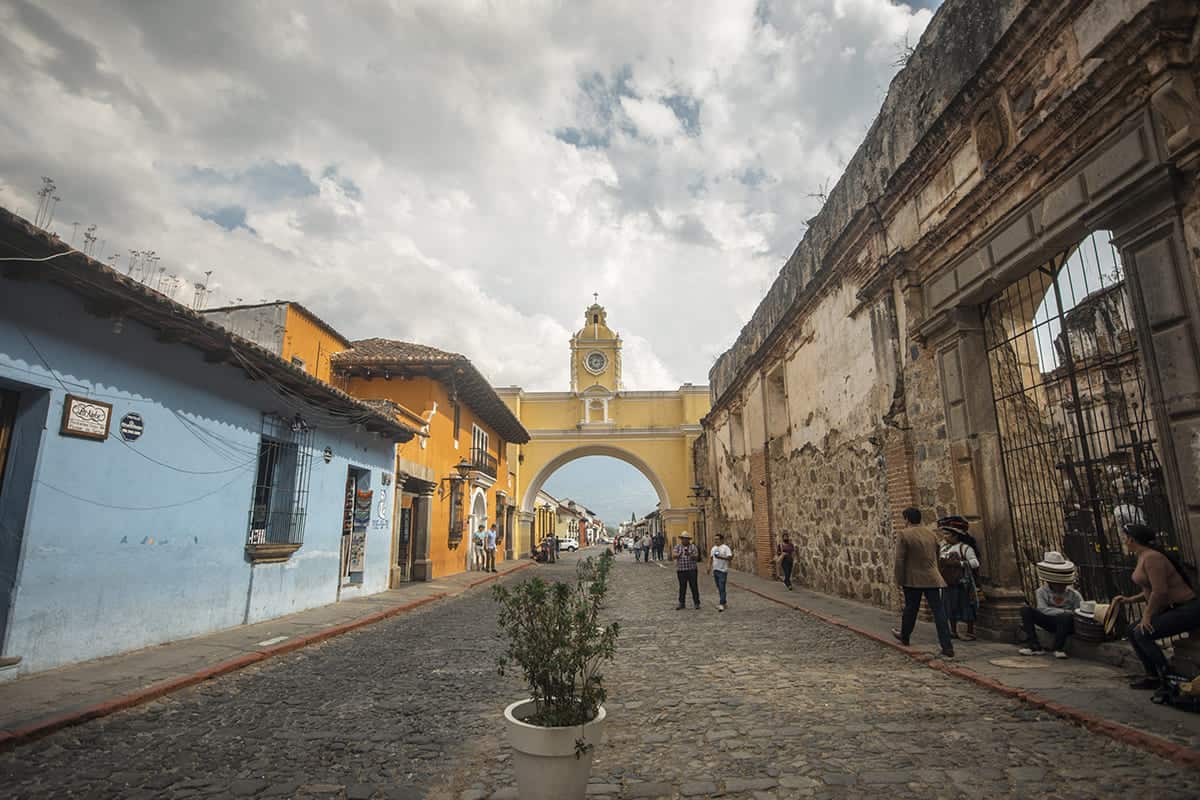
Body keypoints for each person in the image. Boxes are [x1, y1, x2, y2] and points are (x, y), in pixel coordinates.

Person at [1113, 523, 1200, 690]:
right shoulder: (1143, 556)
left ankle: (1166, 674)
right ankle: (1152, 675)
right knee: (1132, 630)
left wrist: (1146, 615)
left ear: (1131, 539)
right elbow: (1150, 590)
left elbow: (1160, 591)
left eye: (1124, 537)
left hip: (1186, 609)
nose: (1123, 540)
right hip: (1173, 608)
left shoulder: (1153, 558)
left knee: (1142, 633)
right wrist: (1130, 600)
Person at [891, 507, 954, 659]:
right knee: (939, 611)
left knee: (911, 608)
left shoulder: (904, 534)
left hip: (912, 579)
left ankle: (905, 636)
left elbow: (900, 559)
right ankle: (947, 646)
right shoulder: (931, 534)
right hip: (932, 577)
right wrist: (937, 573)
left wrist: (898, 579)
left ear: (906, 519)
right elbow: (937, 556)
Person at [1017, 551, 1083, 658]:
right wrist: (1065, 612)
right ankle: (1034, 645)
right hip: (1049, 621)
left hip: (1067, 625)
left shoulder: (1074, 595)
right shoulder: (1041, 592)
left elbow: (1080, 612)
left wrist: (1066, 615)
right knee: (1025, 610)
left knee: (1065, 618)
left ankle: (1058, 648)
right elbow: (1042, 609)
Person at [937, 516, 980, 641]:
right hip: (948, 582)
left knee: (966, 606)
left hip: (962, 583)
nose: (945, 537)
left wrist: (959, 564)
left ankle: (970, 631)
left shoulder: (965, 548)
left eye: (947, 534)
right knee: (950, 607)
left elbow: (975, 563)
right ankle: (953, 630)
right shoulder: (944, 548)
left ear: (956, 535)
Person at [672, 531, 701, 610]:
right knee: (682, 587)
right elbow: (673, 555)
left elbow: (697, 557)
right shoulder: (678, 547)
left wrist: (690, 555)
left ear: (688, 539)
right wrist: (679, 554)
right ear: (681, 539)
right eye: (683, 539)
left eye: (686, 539)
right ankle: (681, 603)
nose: (684, 540)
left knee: (694, 586)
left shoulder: (693, 547)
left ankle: (696, 603)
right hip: (681, 570)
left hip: (692, 570)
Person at [707, 533, 733, 611]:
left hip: (723, 570)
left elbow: (730, 557)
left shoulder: (725, 548)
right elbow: (711, 558)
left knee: (722, 587)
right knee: (719, 588)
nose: (716, 541)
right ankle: (724, 602)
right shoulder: (713, 548)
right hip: (715, 570)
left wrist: (721, 557)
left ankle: (721, 604)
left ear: (721, 540)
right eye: (715, 539)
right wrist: (708, 566)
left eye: (717, 539)